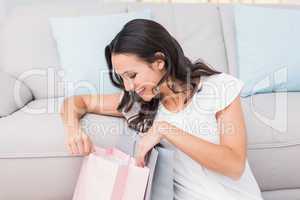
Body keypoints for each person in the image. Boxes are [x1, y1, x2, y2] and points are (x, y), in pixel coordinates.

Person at [60, 19, 263, 200]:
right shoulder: (139, 103)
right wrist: (73, 130)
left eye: (132, 75)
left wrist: (165, 129)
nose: (128, 86)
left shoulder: (218, 87)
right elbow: (77, 102)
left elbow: (234, 166)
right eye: (122, 78)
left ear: (159, 62)